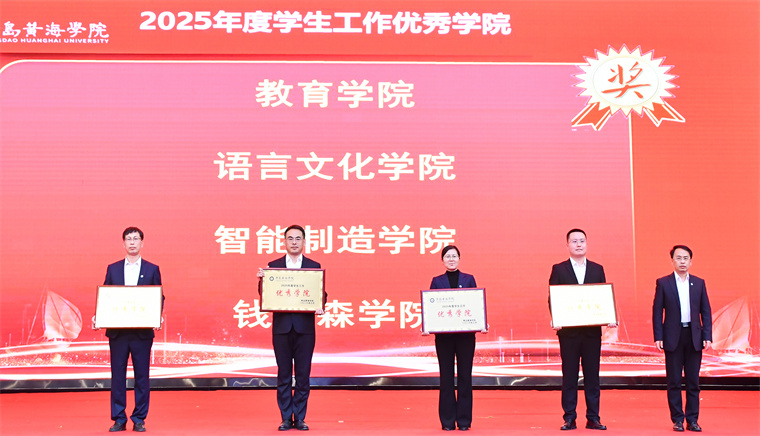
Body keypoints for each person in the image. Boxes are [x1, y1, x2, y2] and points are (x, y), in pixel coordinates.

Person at [257, 225, 324, 432]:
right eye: (290, 238)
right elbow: (266, 296)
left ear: (304, 242)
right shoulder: (273, 266)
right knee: (284, 375)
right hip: (282, 329)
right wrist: (262, 281)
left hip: (305, 330)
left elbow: (321, 293)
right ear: (284, 241)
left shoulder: (313, 266)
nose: (294, 242)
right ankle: (286, 418)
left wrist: (321, 304)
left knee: (303, 375)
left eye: (298, 238)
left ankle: (300, 417)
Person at [548, 229, 611, 431]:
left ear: (587, 244)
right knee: (570, 376)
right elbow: (553, 297)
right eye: (574, 241)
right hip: (569, 333)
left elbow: (602, 297)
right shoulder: (559, 269)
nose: (578, 244)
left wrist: (609, 317)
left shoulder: (597, 269)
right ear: (567, 245)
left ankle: (593, 418)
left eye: (582, 241)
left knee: (593, 376)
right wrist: (556, 318)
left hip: (592, 332)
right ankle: (569, 418)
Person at [102, 227, 162, 432]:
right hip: (118, 332)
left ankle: (139, 418)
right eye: (129, 239)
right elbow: (106, 296)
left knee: (142, 377)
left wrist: (157, 314)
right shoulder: (113, 268)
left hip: (141, 333)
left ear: (142, 243)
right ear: (124, 243)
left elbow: (158, 296)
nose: (132, 242)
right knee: (117, 377)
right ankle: (119, 418)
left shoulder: (152, 269)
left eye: (136, 239)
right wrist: (99, 315)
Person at [426, 245, 486, 431]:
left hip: (465, 337)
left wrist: (481, 322)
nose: (451, 259)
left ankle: (464, 421)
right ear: (442, 260)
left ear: (459, 259)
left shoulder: (469, 279)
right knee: (446, 377)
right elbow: (431, 309)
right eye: (447, 256)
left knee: (465, 377)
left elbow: (475, 305)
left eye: (454, 256)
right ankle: (447, 421)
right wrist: (427, 325)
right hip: (444, 338)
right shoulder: (437, 281)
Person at [652, 245, 712, 432]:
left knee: (693, 381)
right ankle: (677, 419)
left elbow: (706, 311)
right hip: (672, 337)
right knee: (674, 381)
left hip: (694, 337)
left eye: (686, 258)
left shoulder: (699, 283)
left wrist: (707, 335)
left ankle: (692, 420)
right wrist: (658, 336)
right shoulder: (664, 283)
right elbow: (657, 311)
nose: (682, 262)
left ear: (691, 261)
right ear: (672, 261)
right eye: (678, 258)